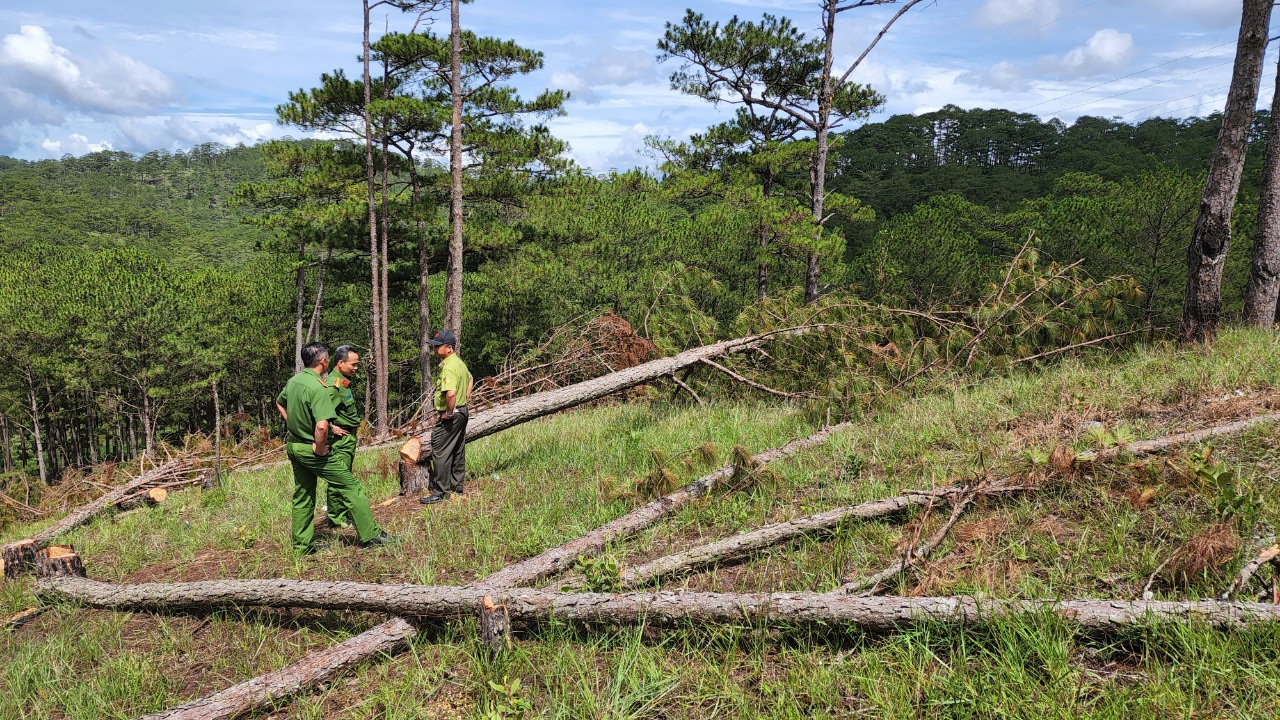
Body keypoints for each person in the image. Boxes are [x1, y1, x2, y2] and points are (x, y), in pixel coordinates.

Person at [276, 341, 399, 554]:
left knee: (303, 495)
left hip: (295, 446)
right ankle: (371, 534)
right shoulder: (319, 387)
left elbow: (280, 402)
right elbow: (323, 426)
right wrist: (320, 448)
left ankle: (302, 546)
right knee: (351, 487)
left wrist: (294, 425)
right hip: (312, 449)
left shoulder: (294, 381)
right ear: (324, 361)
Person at [420, 330, 473, 505]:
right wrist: (465, 399)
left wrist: (449, 413)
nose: (434, 349)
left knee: (440, 449)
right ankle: (457, 487)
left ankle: (441, 492)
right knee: (458, 448)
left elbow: (450, 394)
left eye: (438, 346)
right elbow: (470, 378)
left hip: (453, 413)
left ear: (449, 348)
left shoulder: (449, 367)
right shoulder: (459, 363)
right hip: (462, 411)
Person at [319, 345, 361, 529]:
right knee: (339, 478)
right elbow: (320, 412)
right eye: (353, 364)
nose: (356, 368)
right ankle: (337, 518)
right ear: (340, 362)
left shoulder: (342, 381)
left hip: (348, 438)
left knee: (345, 477)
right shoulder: (332, 384)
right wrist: (331, 429)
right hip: (340, 441)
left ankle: (342, 512)